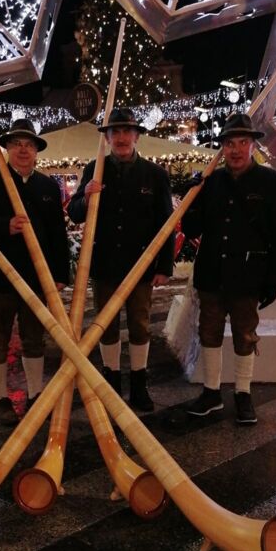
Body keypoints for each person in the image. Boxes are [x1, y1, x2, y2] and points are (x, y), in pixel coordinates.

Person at [182, 112, 276, 425]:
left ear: (252, 146)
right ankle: (211, 393)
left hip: (248, 275)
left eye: (242, 142)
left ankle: (243, 393)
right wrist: (191, 197)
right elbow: (191, 229)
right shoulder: (210, 182)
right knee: (209, 332)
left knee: (245, 335)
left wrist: (275, 281)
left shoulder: (274, 183)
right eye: (229, 143)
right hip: (212, 274)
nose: (235, 149)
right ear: (222, 148)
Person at [67, 107, 174, 411]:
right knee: (105, 325)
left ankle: (139, 383)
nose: (122, 137)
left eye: (128, 131)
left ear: (137, 136)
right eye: (116, 132)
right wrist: (85, 196)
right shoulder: (95, 169)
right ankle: (110, 382)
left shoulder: (154, 175)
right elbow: (75, 213)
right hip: (105, 264)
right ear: (108, 138)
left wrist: (164, 266)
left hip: (141, 265)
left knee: (140, 324)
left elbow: (165, 223)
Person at [0, 118, 69, 426]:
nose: (23, 150)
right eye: (16, 144)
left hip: (37, 279)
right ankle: (1, 399)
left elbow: (57, 235)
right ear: (7, 148)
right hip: (1, 278)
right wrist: (3, 226)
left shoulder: (48, 186)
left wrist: (61, 273)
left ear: (36, 150)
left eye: (28, 145)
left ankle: (37, 395)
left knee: (34, 339)